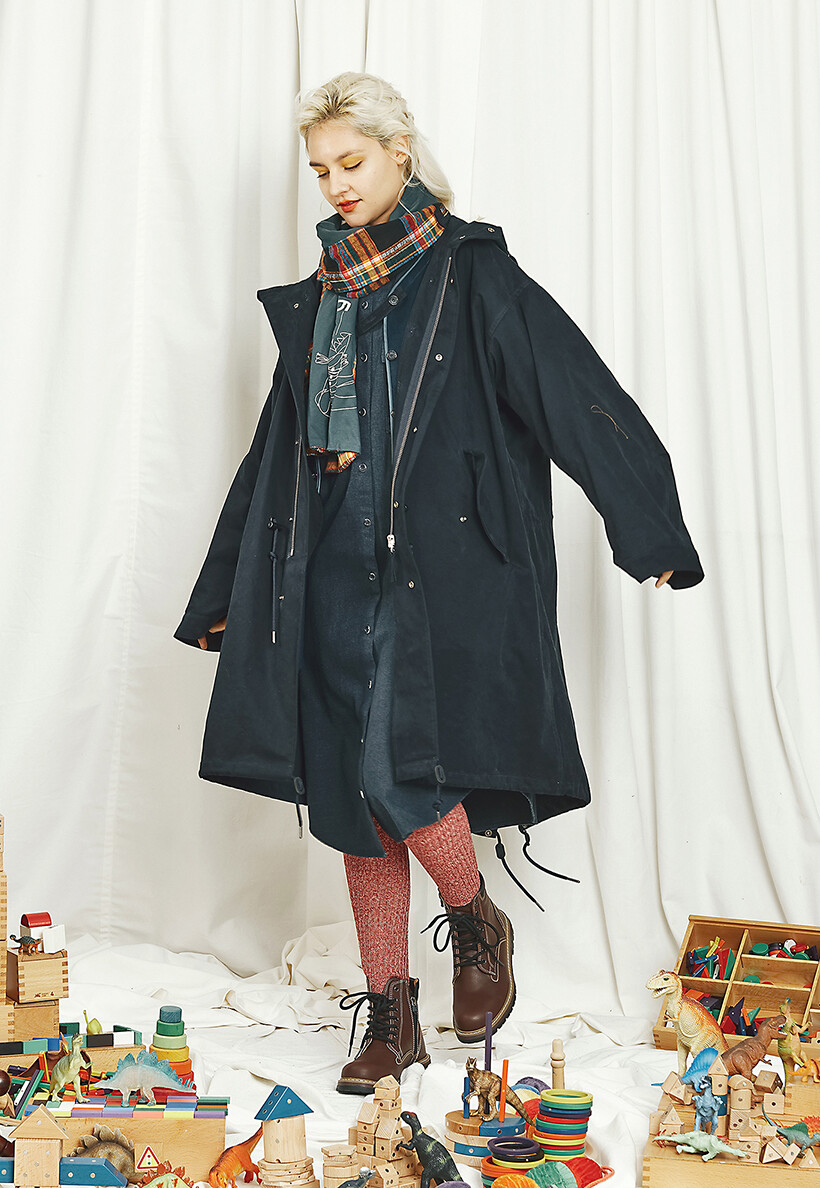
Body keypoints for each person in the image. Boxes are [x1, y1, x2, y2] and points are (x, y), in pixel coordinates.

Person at [174, 72, 703, 1094]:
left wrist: (650, 529)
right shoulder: (324, 299)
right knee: (353, 792)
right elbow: (275, 455)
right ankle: (391, 1014)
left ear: (400, 152)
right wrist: (225, 593)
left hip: (438, 577)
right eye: (321, 170)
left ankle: (472, 916)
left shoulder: (471, 272)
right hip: (329, 573)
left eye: (352, 162)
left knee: (397, 772)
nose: (337, 184)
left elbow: (572, 390)